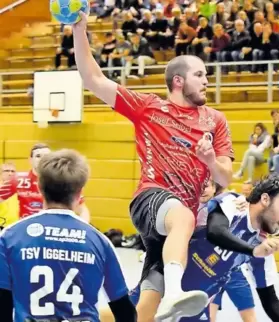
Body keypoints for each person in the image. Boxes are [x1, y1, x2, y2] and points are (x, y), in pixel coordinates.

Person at [73, 12, 234, 321]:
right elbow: (93, 79)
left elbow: (225, 175)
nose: (206, 80)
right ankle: (176, 293)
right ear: (178, 81)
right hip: (151, 199)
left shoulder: (216, 120)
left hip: (177, 226)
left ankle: (80, 317)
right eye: (199, 74)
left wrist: (211, 161)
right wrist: (80, 30)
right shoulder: (148, 107)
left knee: (143, 309)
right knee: (183, 217)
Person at [100, 176, 279, 322]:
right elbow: (215, 232)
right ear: (265, 199)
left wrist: (257, 251)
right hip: (165, 284)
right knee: (126, 317)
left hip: (194, 308)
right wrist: (252, 250)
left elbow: (270, 301)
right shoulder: (233, 204)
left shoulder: (263, 249)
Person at [0, 149, 137, 322]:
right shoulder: (99, 241)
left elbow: (3, 306)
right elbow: (125, 311)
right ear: (80, 192)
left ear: (40, 187)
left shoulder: (10, 237)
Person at [0, 143, 90, 222]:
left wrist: (82, 228)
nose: (42, 159)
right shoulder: (18, 179)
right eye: (38, 156)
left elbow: (82, 209)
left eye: (46, 156)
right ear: (30, 160)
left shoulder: (62, 179)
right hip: (27, 229)